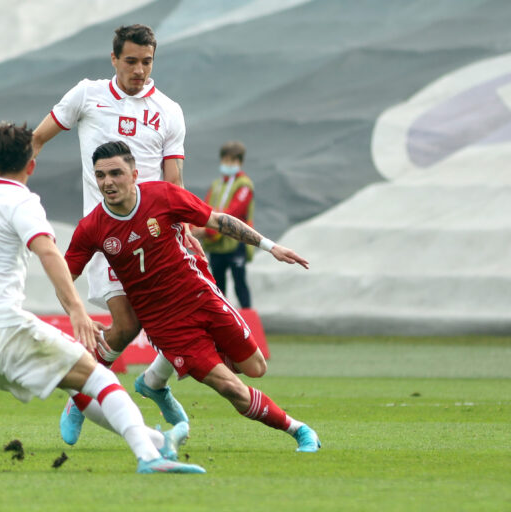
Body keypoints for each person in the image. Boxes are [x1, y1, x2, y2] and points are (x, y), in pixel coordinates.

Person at [0, 122, 205, 474]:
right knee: (102, 379)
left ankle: (156, 442)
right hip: (2, 329)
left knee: (78, 385)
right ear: (31, 165)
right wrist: (77, 310)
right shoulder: (22, 202)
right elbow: (48, 253)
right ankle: (149, 459)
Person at [63, 141, 321, 453]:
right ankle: (299, 430)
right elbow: (63, 275)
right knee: (230, 387)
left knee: (255, 368)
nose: (107, 182)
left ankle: (154, 379)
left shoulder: (162, 195)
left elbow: (217, 220)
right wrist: (76, 311)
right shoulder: (92, 227)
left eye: (115, 173)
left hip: (200, 295)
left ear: (134, 174)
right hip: (166, 325)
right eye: (100, 176)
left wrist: (270, 246)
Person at [33, 23, 199, 444]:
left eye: (147, 62)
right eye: (131, 61)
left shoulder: (168, 110)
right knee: (125, 326)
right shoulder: (87, 95)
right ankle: (80, 399)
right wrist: (14, 186)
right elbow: (37, 138)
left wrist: (184, 227)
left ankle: (154, 382)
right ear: (114, 59)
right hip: (107, 237)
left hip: (158, 235)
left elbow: (174, 180)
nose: (139, 70)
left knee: (187, 318)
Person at [194, 141, 254, 308]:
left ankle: (247, 318)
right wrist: (197, 226)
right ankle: (223, 319)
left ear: (240, 162)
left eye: (233, 161)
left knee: (239, 283)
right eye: (226, 160)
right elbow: (204, 208)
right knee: (218, 287)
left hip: (236, 242)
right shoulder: (216, 185)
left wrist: (207, 231)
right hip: (216, 246)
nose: (228, 164)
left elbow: (233, 212)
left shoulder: (244, 185)